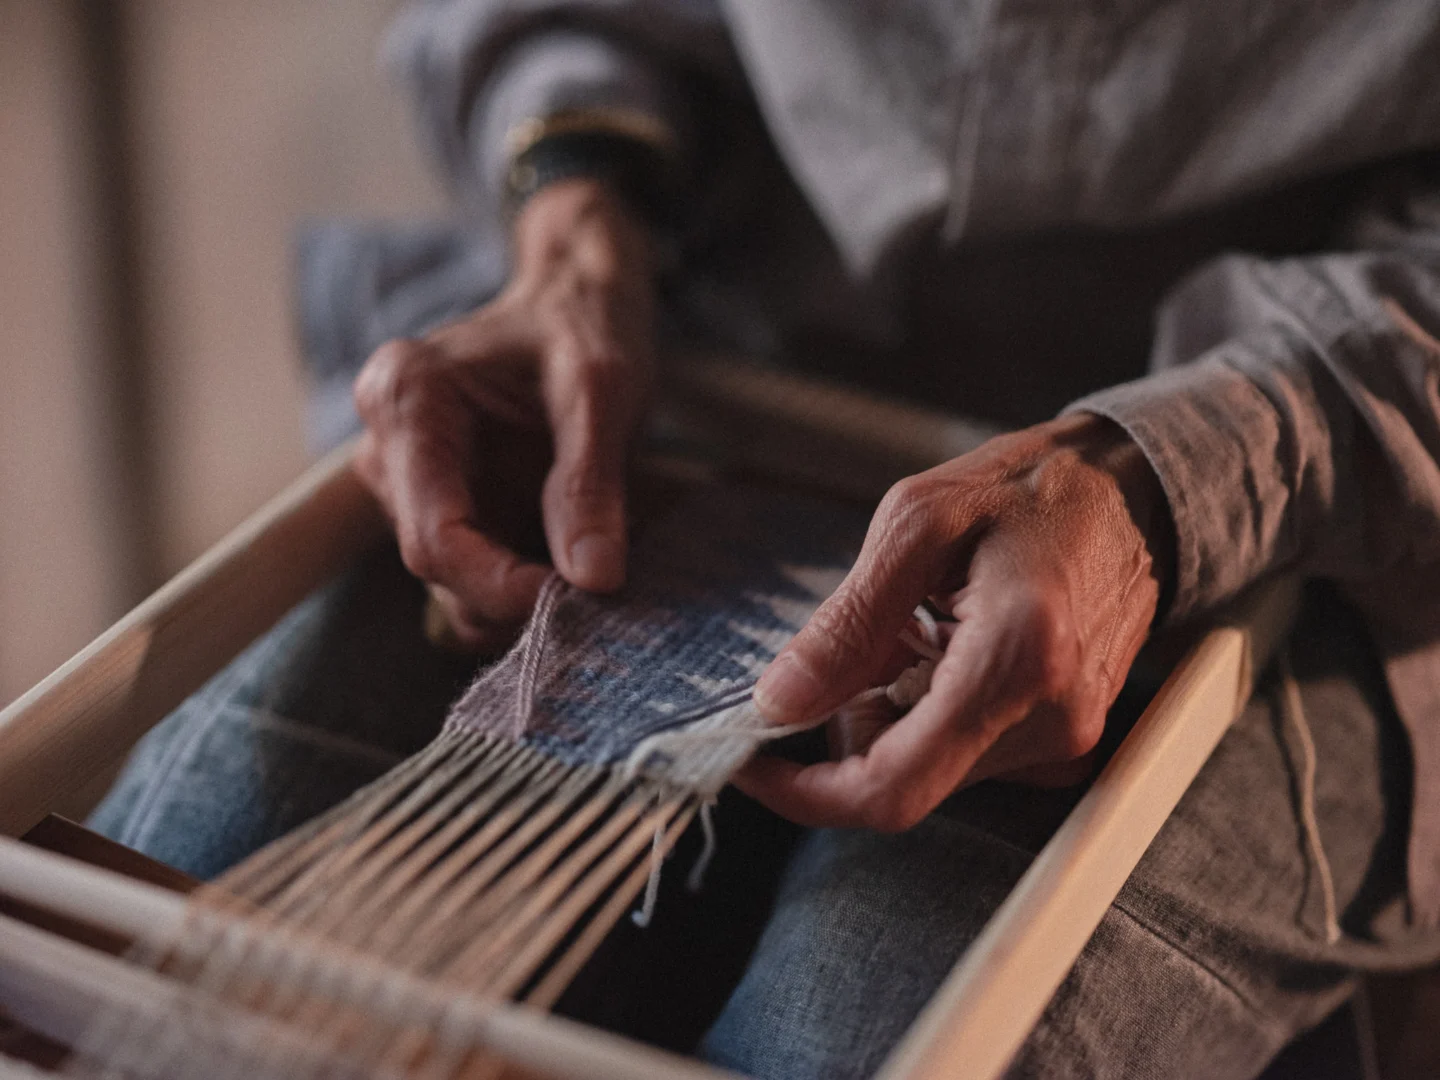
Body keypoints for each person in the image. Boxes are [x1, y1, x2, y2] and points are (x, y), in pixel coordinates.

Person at [92, 1, 1440, 1076]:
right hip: (685, 356)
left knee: (849, 1037)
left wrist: (1166, 482)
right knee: (160, 940)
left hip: (1311, 489)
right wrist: (574, 206)